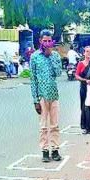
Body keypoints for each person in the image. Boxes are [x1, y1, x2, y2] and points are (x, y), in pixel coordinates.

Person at [30, 29, 63, 163]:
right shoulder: (34, 57)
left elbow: (59, 73)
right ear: (40, 41)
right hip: (42, 96)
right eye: (45, 41)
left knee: (54, 125)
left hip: (54, 95)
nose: (47, 43)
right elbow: (33, 79)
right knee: (43, 126)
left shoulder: (55, 55)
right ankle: (44, 151)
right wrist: (35, 100)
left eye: (49, 41)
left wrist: (50, 57)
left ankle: (55, 150)